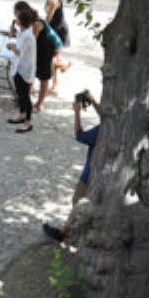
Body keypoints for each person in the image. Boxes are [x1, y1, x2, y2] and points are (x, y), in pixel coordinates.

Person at [41, 90, 102, 244]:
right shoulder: (119, 125)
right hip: (105, 177)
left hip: (90, 175)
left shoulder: (101, 131)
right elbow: (106, 116)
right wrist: (93, 100)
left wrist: (77, 112)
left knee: (78, 201)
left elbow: (80, 135)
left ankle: (66, 232)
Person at [7, 3, 38, 133]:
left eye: (18, 18)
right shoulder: (24, 32)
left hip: (24, 70)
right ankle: (22, 114)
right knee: (20, 94)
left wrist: (12, 47)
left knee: (25, 96)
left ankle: (28, 121)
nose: (16, 20)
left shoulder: (28, 36)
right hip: (19, 68)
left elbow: (21, 52)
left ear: (23, 21)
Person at [43, 0, 73, 94]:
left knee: (53, 59)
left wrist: (40, 27)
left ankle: (65, 65)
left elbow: (48, 19)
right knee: (54, 57)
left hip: (59, 32)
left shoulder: (54, 1)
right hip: (55, 29)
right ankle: (55, 85)